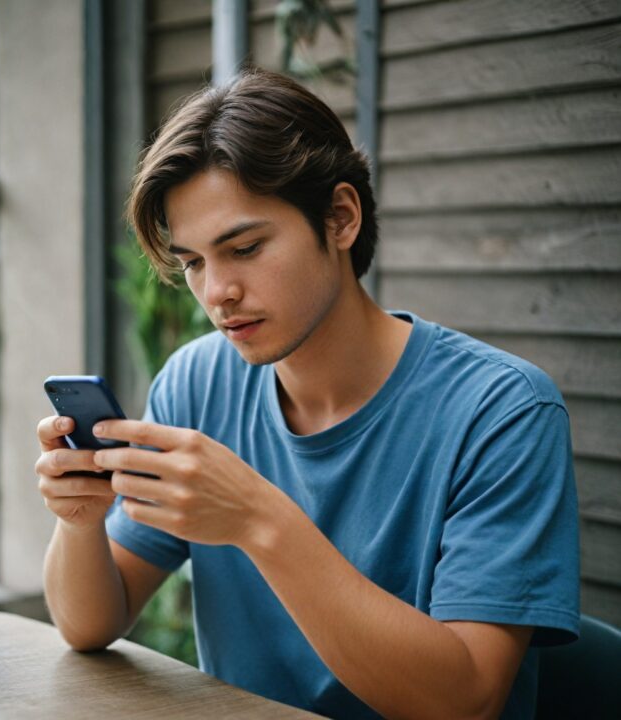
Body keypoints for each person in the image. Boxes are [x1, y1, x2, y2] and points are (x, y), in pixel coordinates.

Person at [35, 68, 579, 719]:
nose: (217, 293)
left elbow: (464, 700)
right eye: (194, 263)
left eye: (245, 247)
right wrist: (81, 522)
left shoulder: (503, 412)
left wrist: (259, 520)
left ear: (341, 218)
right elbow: (90, 623)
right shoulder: (196, 381)